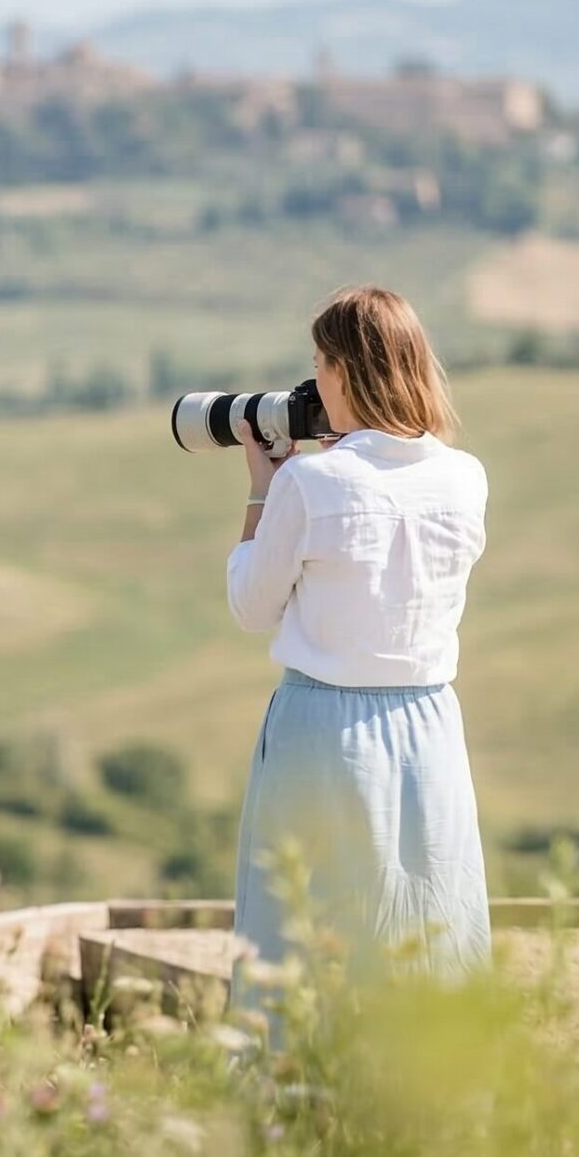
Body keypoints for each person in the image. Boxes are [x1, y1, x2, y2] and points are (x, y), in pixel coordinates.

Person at [225, 285, 490, 991]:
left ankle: (298, 1089)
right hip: (430, 725)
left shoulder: (310, 481)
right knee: (427, 920)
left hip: (323, 727)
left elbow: (253, 606)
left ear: (344, 368)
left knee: (304, 932)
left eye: (319, 363)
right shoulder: (466, 477)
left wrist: (261, 491)